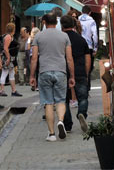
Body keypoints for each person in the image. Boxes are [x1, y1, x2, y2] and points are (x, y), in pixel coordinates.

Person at [30, 13, 76, 142]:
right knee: (61, 100)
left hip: (44, 71)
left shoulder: (38, 36)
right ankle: (61, 120)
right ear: (57, 23)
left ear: (44, 22)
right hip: (61, 71)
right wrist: (72, 75)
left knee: (48, 102)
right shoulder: (64, 36)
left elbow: (34, 58)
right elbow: (69, 58)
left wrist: (32, 76)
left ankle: (51, 134)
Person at [60, 15, 91, 133]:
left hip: (63, 71)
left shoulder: (61, 39)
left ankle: (67, 125)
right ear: (74, 25)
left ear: (62, 26)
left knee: (64, 99)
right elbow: (87, 59)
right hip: (80, 71)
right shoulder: (81, 39)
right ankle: (81, 113)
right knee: (83, 97)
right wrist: (86, 73)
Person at [0, 23, 22, 97]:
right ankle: (2, 90)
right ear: (13, 29)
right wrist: (8, 58)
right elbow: (6, 48)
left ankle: (13, 90)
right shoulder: (8, 37)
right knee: (5, 73)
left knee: (11, 73)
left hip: (8, 57)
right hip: (8, 57)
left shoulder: (5, 36)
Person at [78, 5, 98, 89]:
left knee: (79, 65)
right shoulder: (91, 21)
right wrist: (95, 48)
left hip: (78, 44)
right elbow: (95, 35)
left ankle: (79, 86)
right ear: (89, 12)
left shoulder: (77, 20)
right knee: (88, 66)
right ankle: (87, 85)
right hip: (88, 46)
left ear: (81, 11)